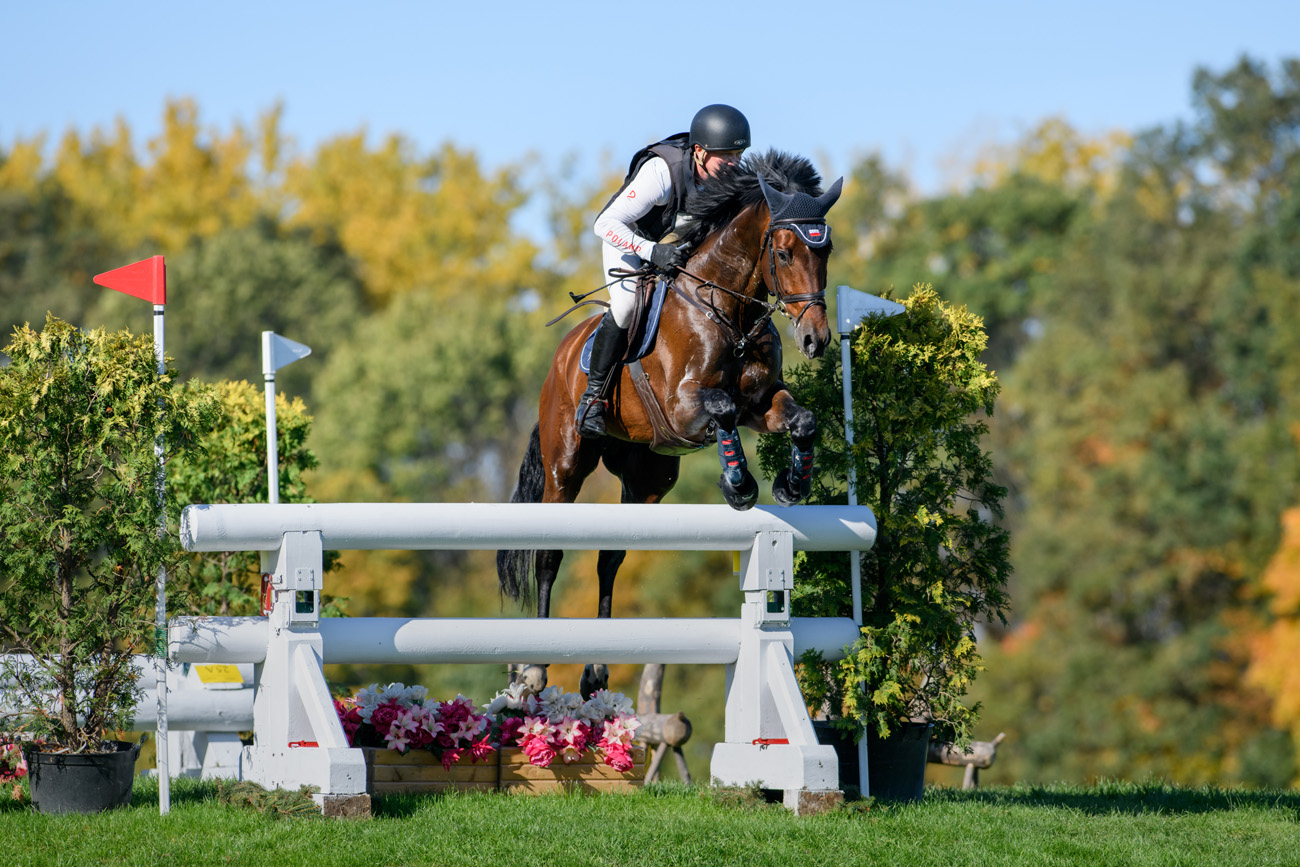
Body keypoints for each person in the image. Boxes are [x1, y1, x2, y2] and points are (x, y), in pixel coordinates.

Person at [576, 104, 751, 438]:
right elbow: (605, 223)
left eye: (738, 155)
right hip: (630, 243)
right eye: (725, 156)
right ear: (699, 153)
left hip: (676, 253)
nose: (733, 164)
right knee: (627, 306)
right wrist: (651, 251)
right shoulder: (662, 171)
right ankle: (594, 397)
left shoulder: (732, 180)